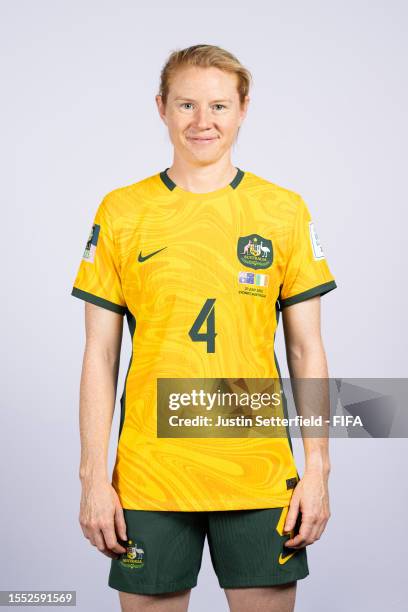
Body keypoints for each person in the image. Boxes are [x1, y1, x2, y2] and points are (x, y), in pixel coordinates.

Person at [71, 44, 337, 612]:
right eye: (187, 104)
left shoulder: (282, 210)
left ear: (243, 110)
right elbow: (99, 357)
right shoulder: (122, 211)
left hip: (258, 471)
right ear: (162, 107)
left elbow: (306, 351)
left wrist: (318, 470)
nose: (202, 121)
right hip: (149, 474)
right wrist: (94, 479)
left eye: (218, 106)